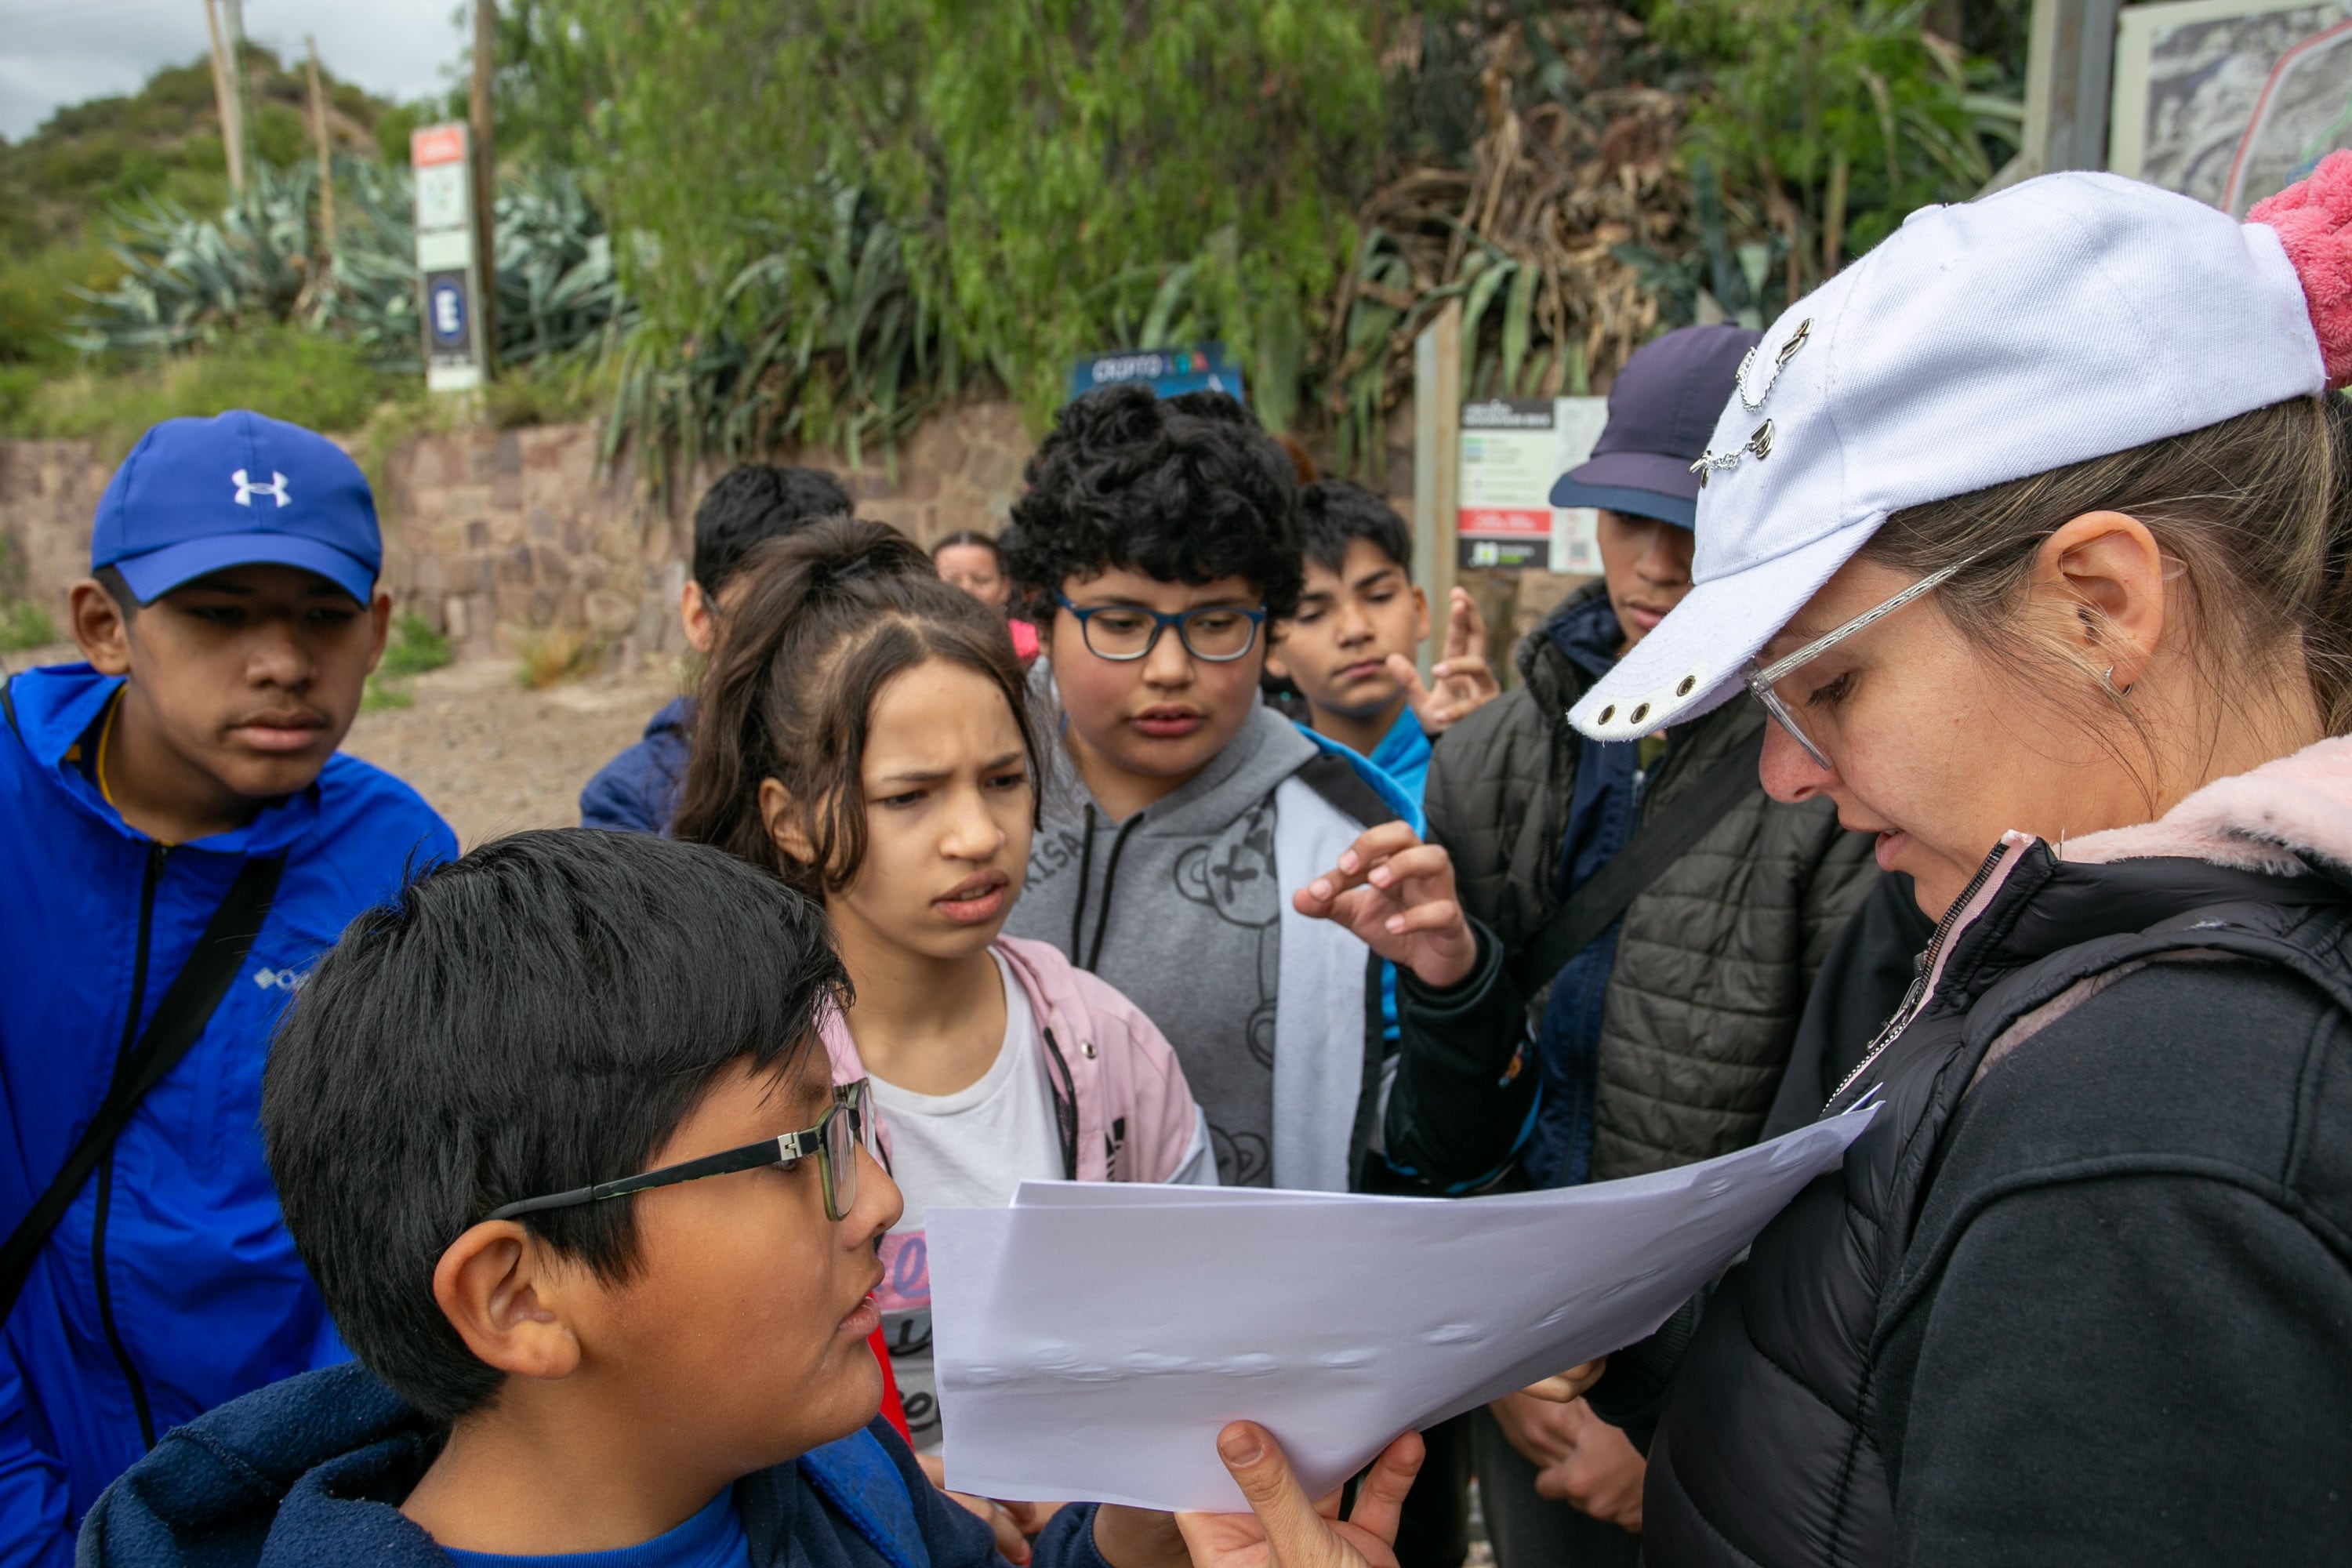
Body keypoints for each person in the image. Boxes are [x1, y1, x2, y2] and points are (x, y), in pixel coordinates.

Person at [1220, 155, 2352, 1566]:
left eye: (1831, 686)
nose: (1788, 774)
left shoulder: (2151, 1139)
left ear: (2099, 607)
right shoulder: (2032, 937)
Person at [75, 826, 1213, 1568]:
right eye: (801, 1151)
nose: (878, 1198)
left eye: (851, 1126)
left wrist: (1155, 1521)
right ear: (519, 1297)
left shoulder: (843, 1482)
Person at [1299, 325, 1881, 1568]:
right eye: (1627, 517)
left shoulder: (1840, 770)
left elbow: (1842, 1134)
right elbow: (1450, 1126)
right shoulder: (1493, 758)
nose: (1657, 562)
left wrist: (1671, 1399)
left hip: (1743, 1392)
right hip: (1530, 1372)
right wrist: (1508, 1347)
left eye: (1697, 518)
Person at [0, 409, 456, 1566]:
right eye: (217, 613)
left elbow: (424, 1214)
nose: (283, 661)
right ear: (104, 625)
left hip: (295, 1489)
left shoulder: (398, 860)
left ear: (380, 629)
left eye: (322, 615)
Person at [670, 519, 1213, 1481]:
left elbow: (1192, 1333)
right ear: (788, 817)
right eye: (910, 795)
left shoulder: (1107, 1043)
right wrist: (893, 1493)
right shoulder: (731, 1082)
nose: (976, 833)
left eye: (1003, 780)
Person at [998, 386, 1528, 1196]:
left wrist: (1453, 995)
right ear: (1043, 609)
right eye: (1121, 620)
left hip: (1253, 1307)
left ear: (1267, 623)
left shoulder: (1352, 833)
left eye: (1216, 623)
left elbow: (1438, 1149)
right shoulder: (963, 787)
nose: (1170, 668)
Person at [578, 463, 851, 833]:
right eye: (768, 624)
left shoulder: (885, 765)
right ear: (699, 617)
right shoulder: (629, 801)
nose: (804, 651)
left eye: (833, 621)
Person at [1264, 481, 1500, 804]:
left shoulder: (1484, 761)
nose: (1355, 630)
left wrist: (1488, 752)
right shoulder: (1261, 789)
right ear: (1271, 646)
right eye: (1312, 614)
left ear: (1419, 609)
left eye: (1379, 597)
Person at [933, 528, 1041, 663]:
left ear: (1005, 588)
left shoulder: (1038, 647)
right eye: (952, 581)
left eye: (980, 580)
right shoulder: (918, 648)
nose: (966, 589)